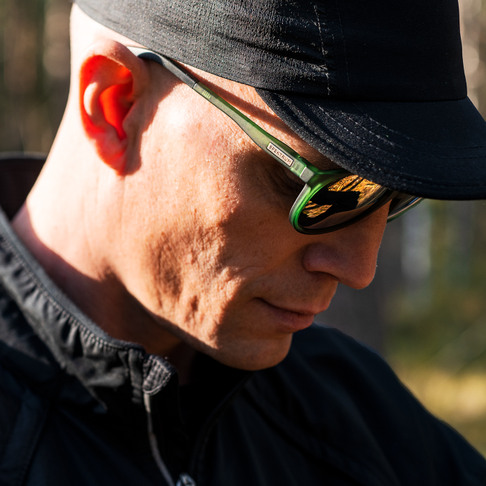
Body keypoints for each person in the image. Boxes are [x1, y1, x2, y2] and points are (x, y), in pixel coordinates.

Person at [1, 0, 485, 484]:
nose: (359, 269)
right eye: (322, 190)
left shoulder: (361, 422)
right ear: (118, 106)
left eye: (394, 193)